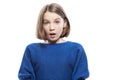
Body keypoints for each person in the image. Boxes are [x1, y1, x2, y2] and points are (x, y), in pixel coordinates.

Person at [18, 3, 89, 80]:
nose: (52, 27)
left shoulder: (76, 50)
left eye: (57, 22)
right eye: (46, 22)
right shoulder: (31, 50)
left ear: (64, 23)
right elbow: (25, 77)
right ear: (41, 25)